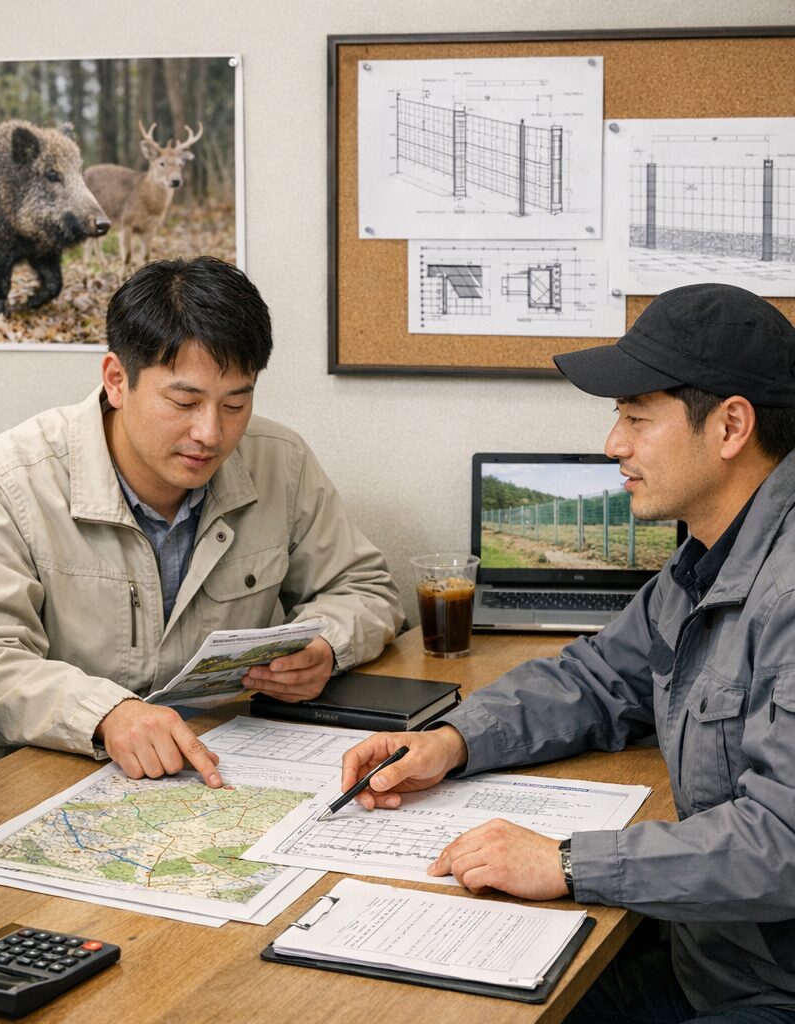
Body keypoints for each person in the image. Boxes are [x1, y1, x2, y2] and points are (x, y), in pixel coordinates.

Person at [340, 283, 795, 1022]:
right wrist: (449, 742)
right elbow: (592, 678)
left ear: (731, 426)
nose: (614, 444)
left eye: (635, 418)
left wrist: (565, 861)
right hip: (707, 956)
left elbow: (782, 842)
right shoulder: (705, 560)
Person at [0, 256, 404, 778]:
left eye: (234, 404)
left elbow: (365, 589)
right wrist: (106, 714)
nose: (211, 433)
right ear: (116, 379)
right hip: (58, 774)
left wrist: (326, 646)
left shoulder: (279, 461)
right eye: (184, 401)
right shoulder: (7, 479)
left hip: (226, 762)